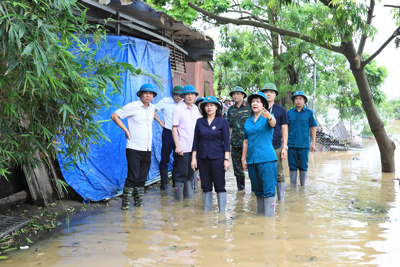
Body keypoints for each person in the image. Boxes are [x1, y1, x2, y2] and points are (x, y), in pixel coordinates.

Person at [111, 84, 157, 210]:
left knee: (142, 177)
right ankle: (125, 206)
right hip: (134, 147)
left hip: (147, 148)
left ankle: (138, 206)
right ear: (140, 94)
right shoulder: (133, 106)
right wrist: (126, 130)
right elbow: (114, 116)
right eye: (145, 93)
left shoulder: (152, 108)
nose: (148, 95)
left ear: (153, 96)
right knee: (133, 176)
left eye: (151, 93)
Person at [191, 96, 230, 212]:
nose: (209, 107)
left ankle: (222, 213)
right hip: (202, 158)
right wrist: (194, 158)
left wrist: (226, 159)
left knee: (220, 185)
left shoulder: (222, 122)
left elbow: (226, 143)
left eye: (212, 105)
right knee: (206, 186)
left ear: (216, 107)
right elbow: (195, 142)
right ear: (203, 108)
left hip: (218, 158)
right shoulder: (199, 122)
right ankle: (207, 213)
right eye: (207, 105)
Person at [241, 92, 277, 216]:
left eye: (257, 101)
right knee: (257, 190)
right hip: (252, 160)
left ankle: (269, 221)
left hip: (267, 159)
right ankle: (260, 219)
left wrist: (270, 117)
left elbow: (274, 123)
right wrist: (243, 158)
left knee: (268, 190)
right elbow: (245, 141)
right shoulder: (248, 121)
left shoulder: (267, 117)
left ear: (263, 105)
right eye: (252, 101)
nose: (254, 103)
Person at [260, 83, 289, 201]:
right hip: (261, 146)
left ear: (275, 94)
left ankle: (280, 200)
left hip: (276, 145)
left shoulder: (281, 110)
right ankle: (263, 198)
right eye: (266, 91)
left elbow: (284, 129)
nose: (268, 94)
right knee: (261, 172)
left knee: (279, 173)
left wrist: (284, 147)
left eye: (271, 92)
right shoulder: (257, 109)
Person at [172, 85, 201, 200]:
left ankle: (188, 202)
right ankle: (178, 202)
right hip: (182, 147)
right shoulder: (178, 109)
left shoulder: (195, 109)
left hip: (194, 147)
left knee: (191, 173)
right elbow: (174, 128)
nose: (190, 96)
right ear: (182, 96)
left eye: (192, 94)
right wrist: (177, 146)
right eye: (187, 94)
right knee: (181, 174)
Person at [154, 85, 183, 190]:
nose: (178, 97)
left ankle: (176, 184)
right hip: (168, 133)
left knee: (178, 159)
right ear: (172, 94)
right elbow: (152, 110)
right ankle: (164, 185)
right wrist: (160, 122)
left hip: (180, 134)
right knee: (164, 159)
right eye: (176, 95)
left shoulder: (184, 104)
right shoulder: (165, 101)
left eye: (180, 96)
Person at [287, 91, 317, 186]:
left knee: (303, 166)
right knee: (292, 166)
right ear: (294, 101)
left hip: (304, 145)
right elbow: (286, 129)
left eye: (300, 98)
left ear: (304, 100)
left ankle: (303, 187)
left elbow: (313, 128)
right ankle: (293, 187)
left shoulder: (309, 113)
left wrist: (313, 143)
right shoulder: (289, 113)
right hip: (291, 144)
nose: (298, 100)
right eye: (296, 99)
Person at [227, 86, 251, 191]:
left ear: (243, 95)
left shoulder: (249, 107)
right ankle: (240, 191)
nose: (235, 96)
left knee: (251, 166)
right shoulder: (231, 110)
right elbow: (229, 127)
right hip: (235, 143)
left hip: (248, 142)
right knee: (237, 168)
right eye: (234, 94)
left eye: (238, 94)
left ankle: (254, 191)